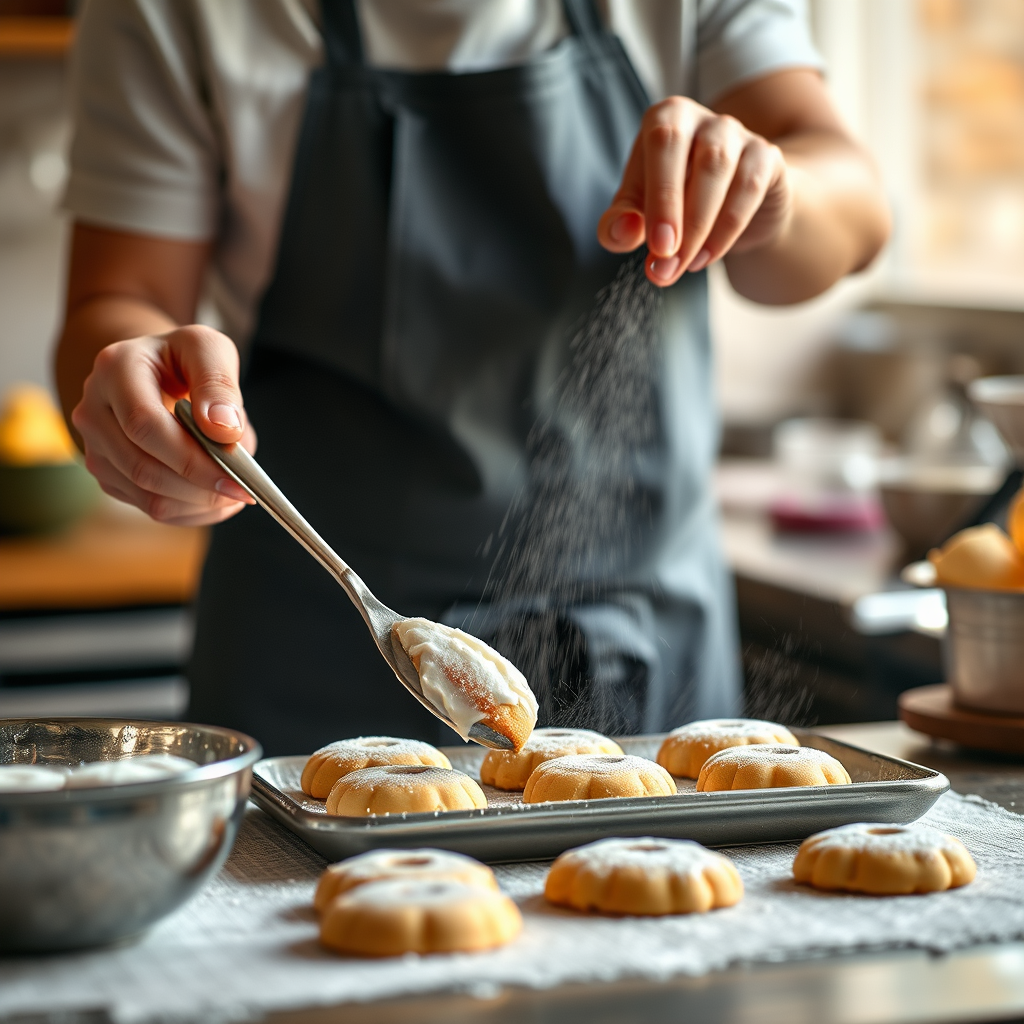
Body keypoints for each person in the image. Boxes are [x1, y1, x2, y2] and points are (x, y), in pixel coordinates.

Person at [56, 0, 889, 755]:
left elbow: (854, 208)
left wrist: (776, 191)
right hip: (319, 655)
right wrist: (135, 389)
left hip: (648, 637)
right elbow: (118, 299)